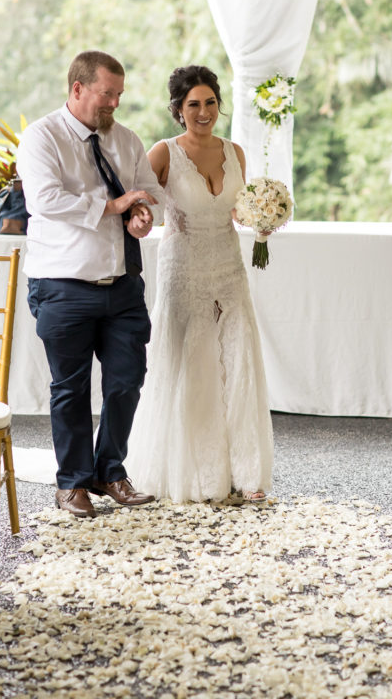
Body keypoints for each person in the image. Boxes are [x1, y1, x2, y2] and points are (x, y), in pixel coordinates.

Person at [17, 50, 164, 519]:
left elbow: (147, 190)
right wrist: (115, 206)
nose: (115, 104)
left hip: (122, 284)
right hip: (62, 284)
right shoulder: (42, 137)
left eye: (119, 94)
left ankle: (109, 471)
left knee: (128, 380)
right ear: (78, 89)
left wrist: (141, 215)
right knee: (71, 387)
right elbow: (45, 201)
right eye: (107, 94)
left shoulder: (126, 139)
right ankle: (73, 483)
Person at [127, 65, 273, 503]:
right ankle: (199, 474)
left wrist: (263, 220)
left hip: (228, 264)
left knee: (237, 354)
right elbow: (138, 201)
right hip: (184, 263)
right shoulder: (164, 153)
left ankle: (246, 472)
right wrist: (142, 216)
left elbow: (236, 210)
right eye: (194, 104)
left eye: (210, 103)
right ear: (178, 109)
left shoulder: (235, 152)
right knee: (193, 360)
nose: (204, 112)